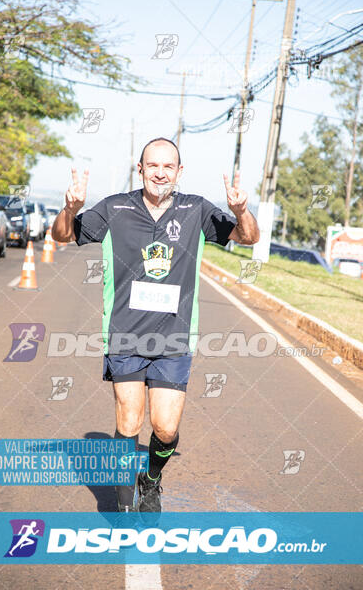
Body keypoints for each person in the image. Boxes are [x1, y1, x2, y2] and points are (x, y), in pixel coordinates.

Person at [52, 137, 259, 513]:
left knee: (164, 428)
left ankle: (151, 476)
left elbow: (248, 238)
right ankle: (123, 499)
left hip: (174, 338)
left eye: (168, 166)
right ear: (141, 169)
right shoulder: (115, 208)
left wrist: (241, 210)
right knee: (128, 419)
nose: (160, 173)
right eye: (153, 166)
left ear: (179, 172)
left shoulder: (195, 209)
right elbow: (63, 235)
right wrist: (70, 208)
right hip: (125, 334)